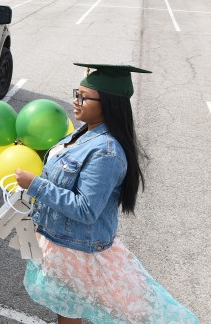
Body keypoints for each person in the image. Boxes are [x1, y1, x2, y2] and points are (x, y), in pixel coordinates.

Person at [14, 63, 199, 324]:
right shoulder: (84, 131)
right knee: (67, 308)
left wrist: (35, 184)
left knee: (74, 310)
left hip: (76, 250)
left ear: (109, 103)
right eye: (75, 93)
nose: (75, 102)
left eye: (83, 97)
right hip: (59, 241)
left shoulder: (106, 152)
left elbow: (86, 209)